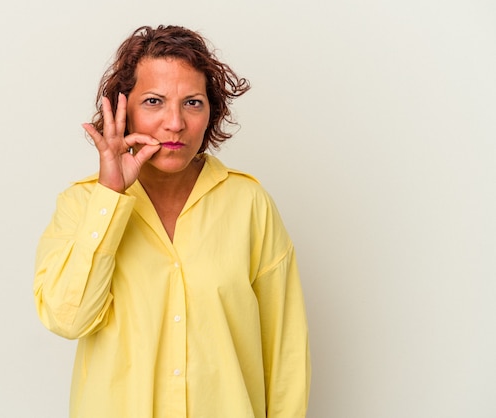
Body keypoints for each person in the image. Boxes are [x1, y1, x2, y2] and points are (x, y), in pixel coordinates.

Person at [34, 25, 310, 418]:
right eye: (154, 101)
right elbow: (67, 319)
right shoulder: (81, 204)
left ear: (211, 111)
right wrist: (110, 198)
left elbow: (286, 355)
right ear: (122, 109)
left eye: (192, 103)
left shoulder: (250, 205)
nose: (175, 123)